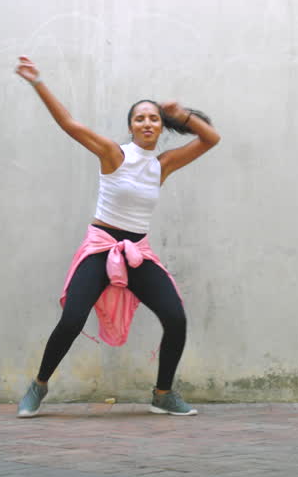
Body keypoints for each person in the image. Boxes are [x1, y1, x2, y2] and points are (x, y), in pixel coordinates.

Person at [13, 56, 220, 417]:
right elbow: (69, 124)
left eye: (154, 118)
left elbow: (211, 138)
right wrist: (38, 82)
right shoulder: (114, 154)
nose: (147, 123)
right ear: (131, 126)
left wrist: (182, 114)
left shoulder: (163, 164)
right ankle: (39, 386)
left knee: (175, 318)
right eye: (140, 118)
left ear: (161, 126)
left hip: (137, 251)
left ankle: (163, 394)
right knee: (72, 320)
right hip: (101, 248)